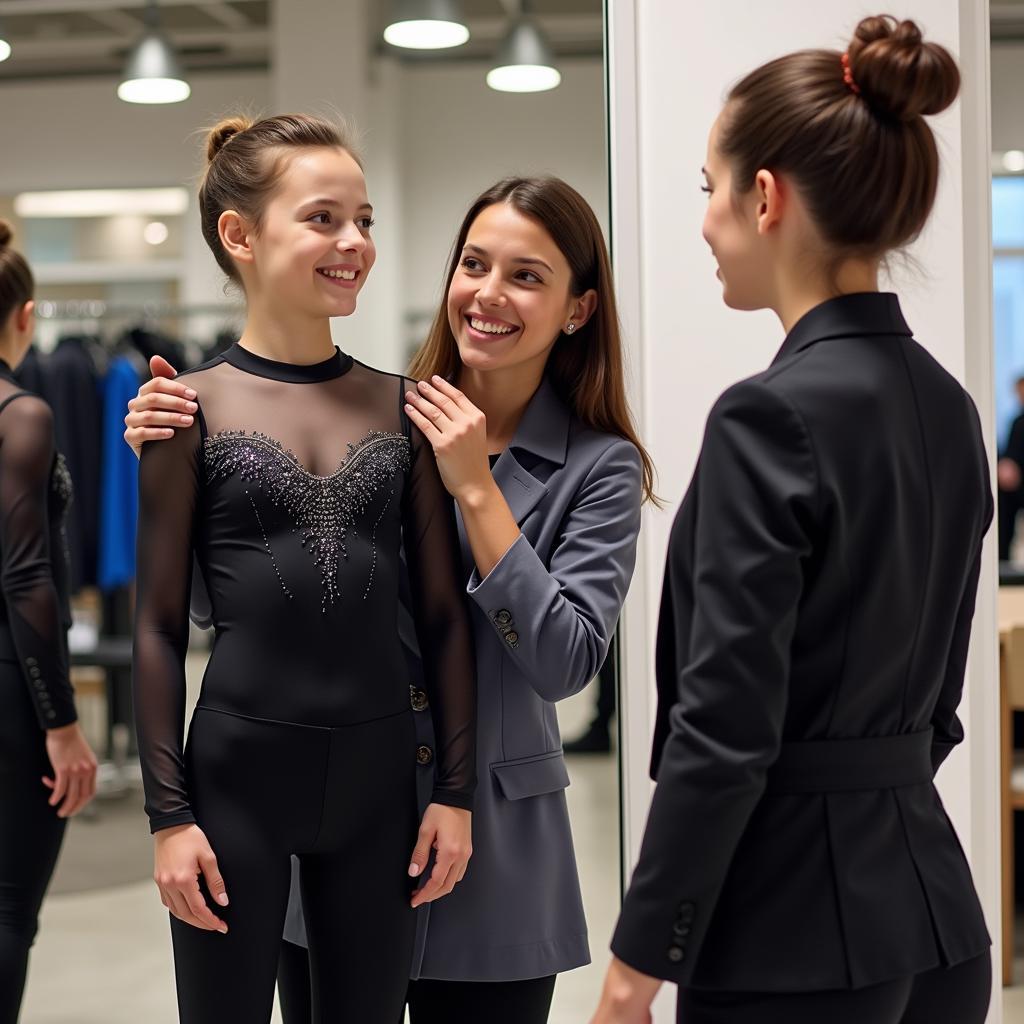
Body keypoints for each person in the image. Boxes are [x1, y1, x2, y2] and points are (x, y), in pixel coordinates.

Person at [125, 174, 653, 1023]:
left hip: (486, 849)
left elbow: (563, 662)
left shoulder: (600, 467)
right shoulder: (377, 414)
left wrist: (477, 493)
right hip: (331, 812)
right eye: (474, 264)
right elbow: (208, 608)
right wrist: (181, 470)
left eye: (528, 276)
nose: (488, 294)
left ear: (578, 309)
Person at [592, 15, 992, 1024]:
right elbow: (940, 696)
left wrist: (636, 965)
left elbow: (722, 727)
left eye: (706, 189)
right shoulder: (947, 407)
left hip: (788, 937)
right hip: (934, 916)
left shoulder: (767, 414)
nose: (703, 221)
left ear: (762, 197)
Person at [130, 114, 476, 1024]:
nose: (354, 242)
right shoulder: (184, 411)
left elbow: (442, 617)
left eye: (364, 220)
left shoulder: (404, 407)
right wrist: (168, 817)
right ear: (240, 235)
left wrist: (455, 793)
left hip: (377, 786)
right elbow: (158, 626)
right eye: (325, 219)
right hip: (236, 780)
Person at [0, 221, 98, 1024]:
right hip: (9, 695)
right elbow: (27, 576)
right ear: (25, 316)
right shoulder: (20, 415)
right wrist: (61, 724)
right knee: (5, 910)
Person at [997, 375, 1024, 561]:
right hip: (1016, 484)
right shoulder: (1017, 422)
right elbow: (1011, 455)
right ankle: (1002, 557)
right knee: (1002, 498)